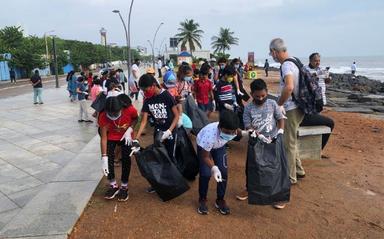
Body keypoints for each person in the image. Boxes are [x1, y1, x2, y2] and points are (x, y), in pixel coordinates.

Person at [236, 79, 286, 208]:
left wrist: (280, 131)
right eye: (257, 96)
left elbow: (280, 119)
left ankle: (279, 195)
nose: (260, 98)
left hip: (273, 140)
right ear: (252, 94)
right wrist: (256, 134)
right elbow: (248, 125)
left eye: (263, 95)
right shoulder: (248, 109)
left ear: (267, 92)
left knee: (276, 167)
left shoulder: (272, 104)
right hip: (256, 141)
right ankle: (249, 189)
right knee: (252, 167)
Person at [134, 74, 180, 193]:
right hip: (158, 132)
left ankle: (174, 183)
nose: (144, 92)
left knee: (170, 157)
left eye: (145, 89)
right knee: (159, 157)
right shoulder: (148, 99)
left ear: (154, 85)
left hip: (170, 132)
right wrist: (136, 139)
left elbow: (176, 115)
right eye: (142, 90)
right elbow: (143, 121)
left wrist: (169, 131)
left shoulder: (166, 96)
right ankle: (160, 184)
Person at [269, 38, 305, 184]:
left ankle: (290, 177)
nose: (272, 56)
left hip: (291, 108)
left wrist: (279, 104)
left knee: (288, 143)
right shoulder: (295, 60)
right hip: (300, 106)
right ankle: (298, 169)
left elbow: (289, 87)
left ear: (274, 52)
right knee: (293, 140)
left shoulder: (286, 66)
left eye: (271, 54)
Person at [196, 110, 241, 215]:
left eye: (232, 132)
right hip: (204, 148)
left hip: (219, 147)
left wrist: (248, 134)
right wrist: (214, 168)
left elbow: (240, 132)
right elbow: (205, 157)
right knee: (205, 174)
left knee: (223, 173)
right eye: (226, 132)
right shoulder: (209, 135)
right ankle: (202, 199)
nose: (230, 134)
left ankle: (220, 199)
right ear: (220, 127)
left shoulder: (234, 129)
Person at [99, 91, 138, 200]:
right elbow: (103, 138)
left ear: (121, 108)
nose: (113, 117)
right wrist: (104, 157)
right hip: (111, 137)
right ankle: (113, 185)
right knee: (109, 160)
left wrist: (130, 129)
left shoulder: (129, 109)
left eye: (116, 114)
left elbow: (136, 119)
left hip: (126, 136)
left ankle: (124, 186)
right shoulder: (103, 115)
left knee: (126, 159)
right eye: (110, 114)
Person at [301, 53, 335, 154]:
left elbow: (327, 82)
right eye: (316, 61)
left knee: (319, 120)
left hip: (321, 99)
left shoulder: (322, 70)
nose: (318, 63)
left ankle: (316, 148)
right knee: (317, 120)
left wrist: (328, 79)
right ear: (310, 60)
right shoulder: (305, 69)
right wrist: (312, 77)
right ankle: (313, 149)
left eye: (319, 60)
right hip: (311, 101)